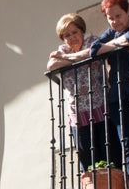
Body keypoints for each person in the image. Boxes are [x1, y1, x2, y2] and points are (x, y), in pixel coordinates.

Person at [56, 0, 129, 189]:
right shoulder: (108, 34)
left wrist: (116, 46)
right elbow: (94, 49)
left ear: (127, 12)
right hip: (119, 99)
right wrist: (120, 46)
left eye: (118, 16)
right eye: (110, 18)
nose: (115, 21)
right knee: (128, 147)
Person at [46, 13, 117, 171]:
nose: (72, 37)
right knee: (88, 163)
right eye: (67, 35)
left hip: (101, 110)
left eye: (75, 32)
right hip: (78, 116)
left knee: (111, 156)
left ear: (82, 31)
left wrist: (67, 59)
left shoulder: (92, 42)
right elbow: (51, 65)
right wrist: (77, 58)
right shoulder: (62, 50)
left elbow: (92, 52)